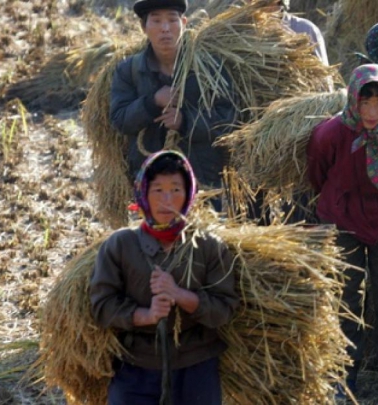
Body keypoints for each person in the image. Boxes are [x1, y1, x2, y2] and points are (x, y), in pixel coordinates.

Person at [306, 64, 378, 399]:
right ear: (352, 100)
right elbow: (318, 173)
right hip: (342, 220)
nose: (372, 112)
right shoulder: (329, 134)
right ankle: (344, 374)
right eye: (365, 102)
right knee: (345, 296)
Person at [89, 150, 240, 404]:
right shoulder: (120, 245)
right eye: (158, 190)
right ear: (143, 193)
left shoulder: (208, 246)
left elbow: (224, 310)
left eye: (176, 190)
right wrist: (145, 315)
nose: (167, 200)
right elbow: (102, 307)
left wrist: (181, 295)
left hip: (197, 365)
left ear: (189, 194)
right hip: (135, 365)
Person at [110, 0, 238, 210]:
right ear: (144, 27)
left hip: (205, 182)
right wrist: (152, 102)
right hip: (152, 181)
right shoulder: (128, 71)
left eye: (172, 19)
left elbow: (229, 119)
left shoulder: (209, 67)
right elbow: (119, 119)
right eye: (157, 21)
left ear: (184, 23)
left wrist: (185, 122)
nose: (165, 28)